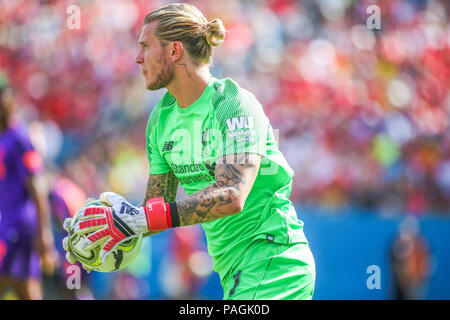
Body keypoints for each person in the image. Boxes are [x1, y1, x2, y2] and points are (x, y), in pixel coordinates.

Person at [63, 3, 315, 300]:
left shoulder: (233, 104)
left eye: (145, 46)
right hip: (234, 272)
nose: (137, 58)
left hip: (275, 260)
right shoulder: (160, 119)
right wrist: (109, 228)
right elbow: (157, 207)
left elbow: (232, 195)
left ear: (174, 51)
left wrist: (140, 220)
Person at [0, 84, 58, 299]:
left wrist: (43, 232)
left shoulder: (19, 138)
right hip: (7, 224)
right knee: (24, 289)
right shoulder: (3, 138)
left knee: (23, 287)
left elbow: (37, 187)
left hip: (19, 227)